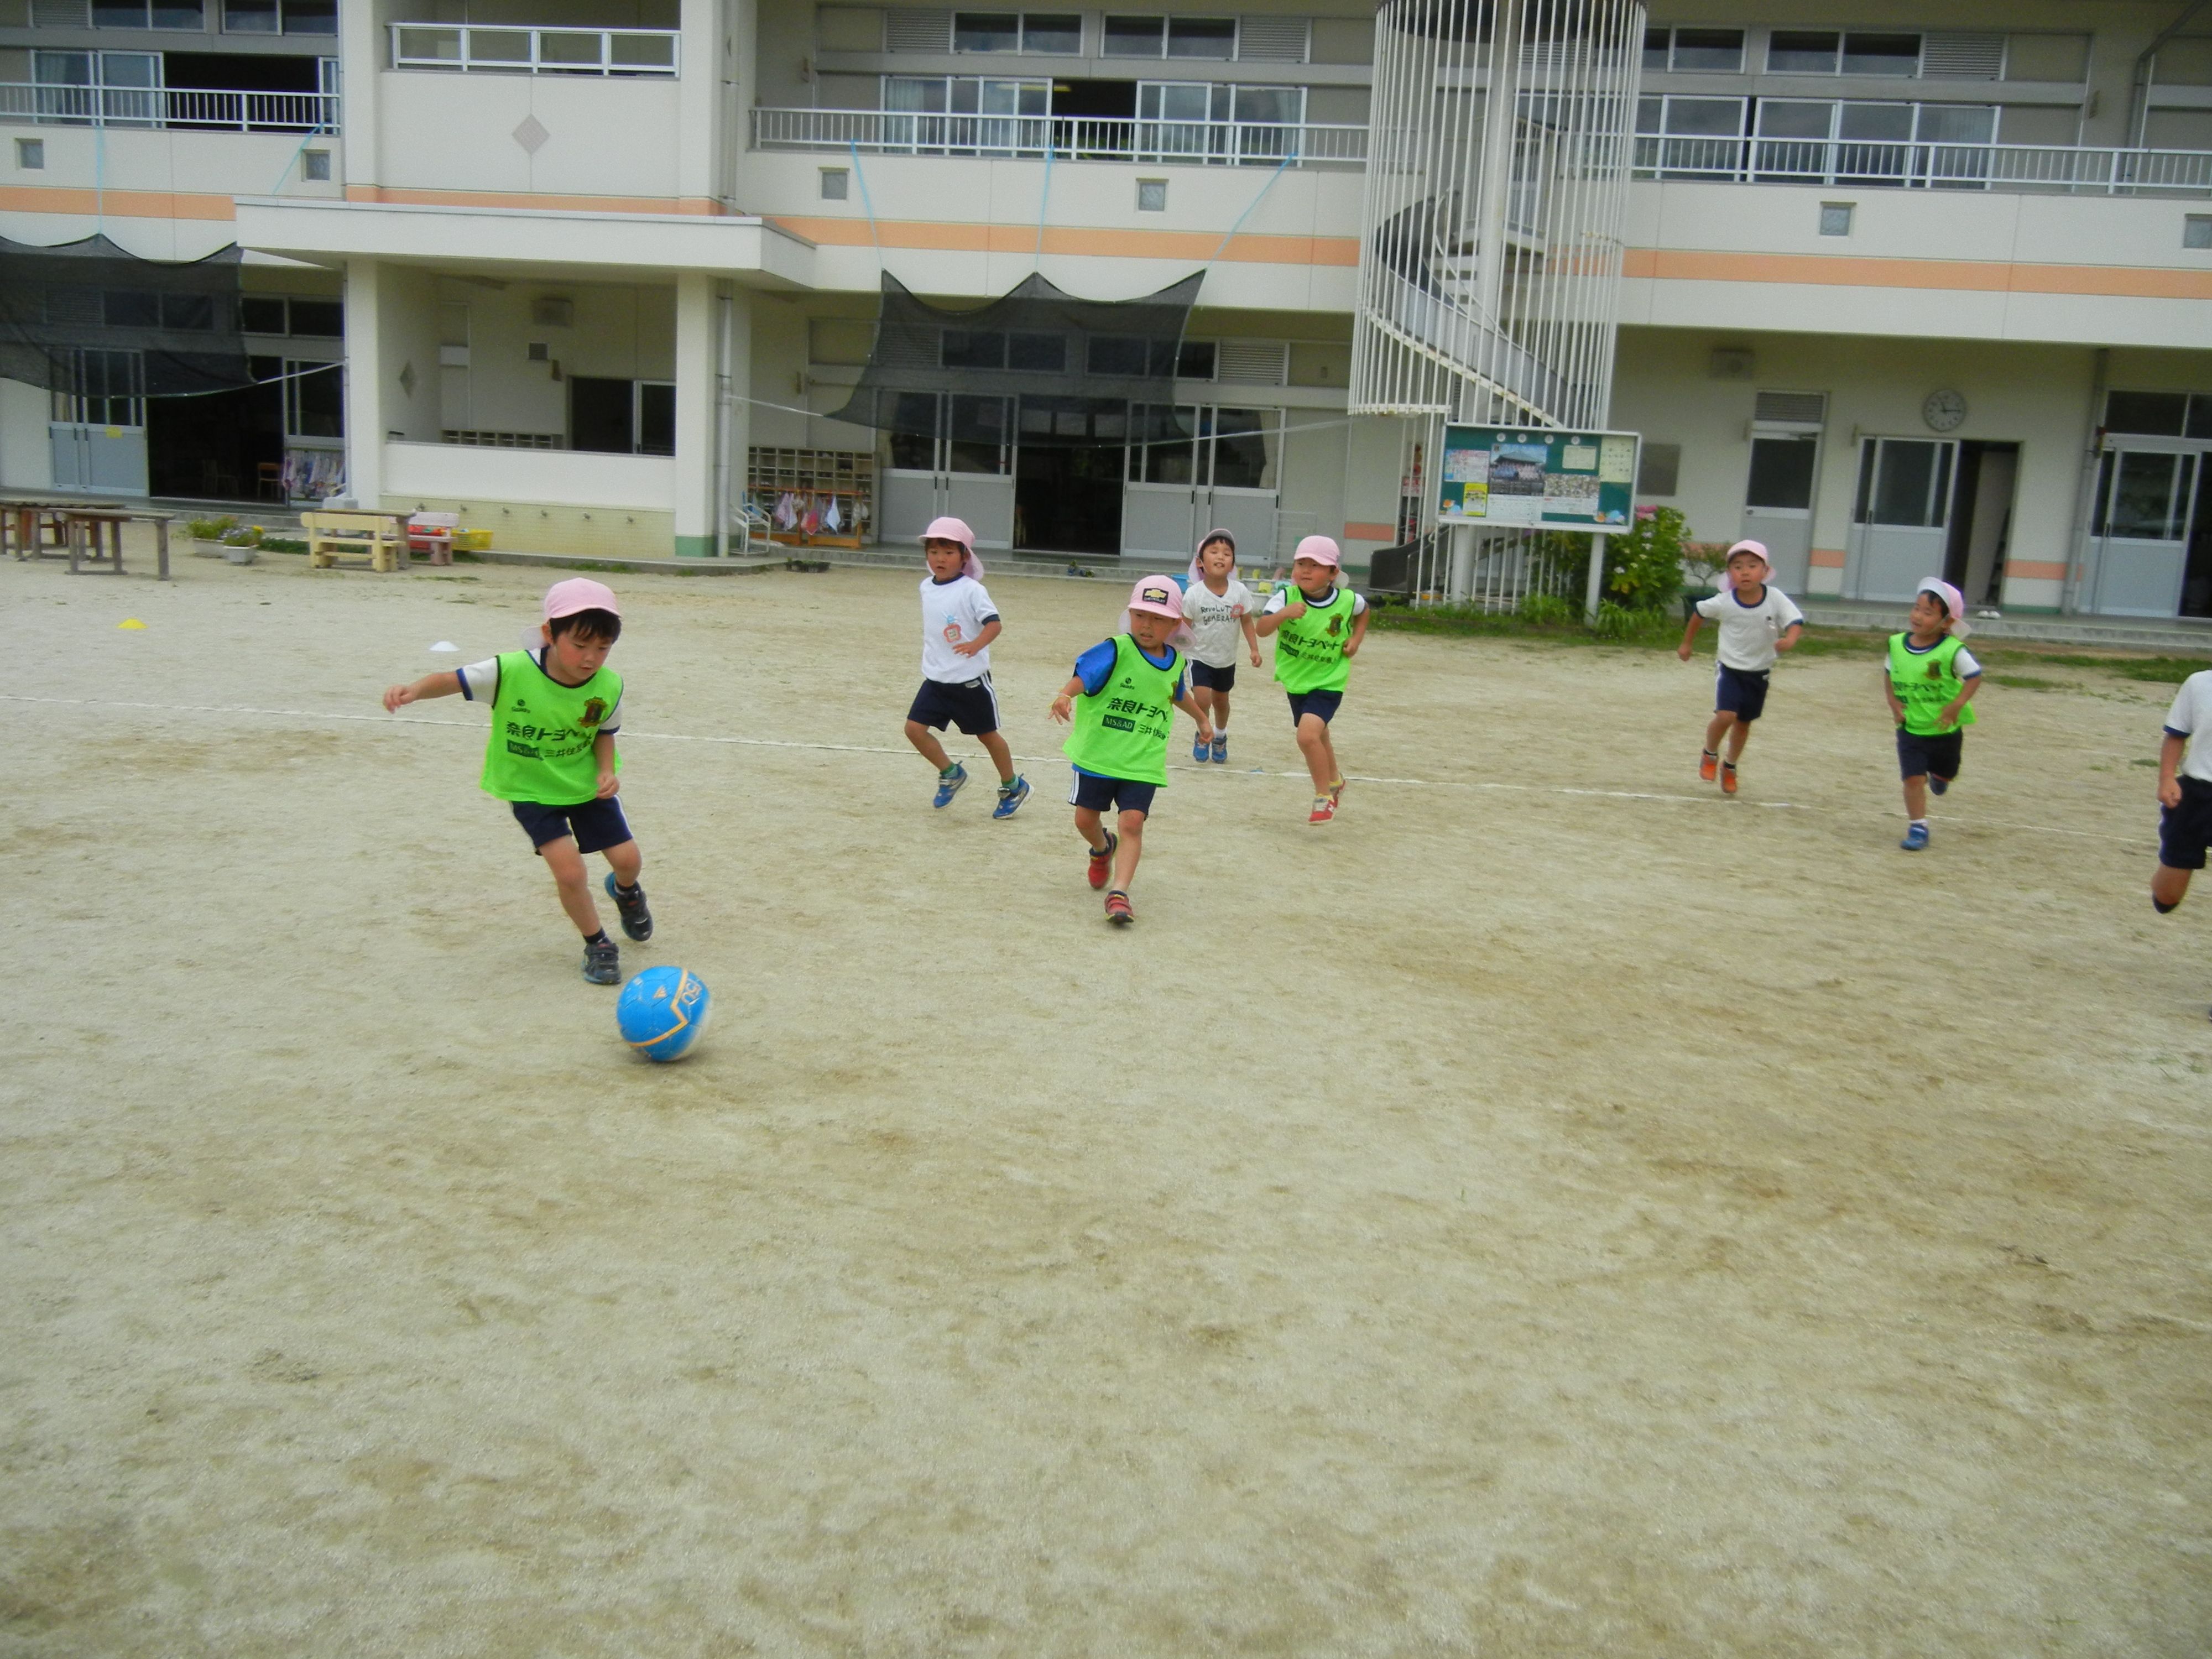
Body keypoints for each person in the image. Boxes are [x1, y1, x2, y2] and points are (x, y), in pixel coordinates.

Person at [382, 577, 650, 985]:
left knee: (628, 860)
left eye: (602, 648)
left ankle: (627, 892)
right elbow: (450, 679)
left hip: (584, 786)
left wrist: (606, 770)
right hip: (531, 790)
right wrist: (413, 690)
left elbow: (603, 732)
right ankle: (597, 944)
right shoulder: (509, 670)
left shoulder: (608, 685)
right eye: (579, 645)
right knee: (570, 873)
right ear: (549, 633)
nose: (590, 659)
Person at [1049, 576, 1214, 925]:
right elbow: (1085, 675)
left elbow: (1177, 693)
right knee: (1085, 820)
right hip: (1099, 755)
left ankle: (1119, 893)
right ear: (1131, 615)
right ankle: (1101, 849)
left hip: (1143, 759)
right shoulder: (1116, 649)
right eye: (1141, 615)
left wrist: (1202, 720)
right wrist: (1066, 695)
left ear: (1174, 624)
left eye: (1157, 618)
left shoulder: (1175, 662)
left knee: (1133, 822)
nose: (1147, 625)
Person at [902, 516, 1030, 817]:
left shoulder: (972, 590)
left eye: (948, 553)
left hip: (969, 681)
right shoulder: (926, 587)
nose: (939, 559)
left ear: (964, 557)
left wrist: (976, 645)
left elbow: (994, 624)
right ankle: (951, 773)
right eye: (933, 552)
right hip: (935, 679)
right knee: (914, 730)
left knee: (988, 736)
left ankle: (1013, 785)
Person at [1256, 535, 1369, 825]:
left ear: (1333, 574)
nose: (1305, 570)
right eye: (1300, 563)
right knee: (1320, 734)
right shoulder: (1286, 596)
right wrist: (1284, 614)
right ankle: (1335, 780)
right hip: (1296, 681)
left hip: (1330, 680)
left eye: (1316, 565)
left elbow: (1364, 610)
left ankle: (1324, 797)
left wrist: (1355, 639)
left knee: (1307, 736)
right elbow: (1262, 629)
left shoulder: (1346, 600)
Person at [1677, 539, 1804, 795]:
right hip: (1730, 668)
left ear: (1765, 571)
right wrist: (1687, 643)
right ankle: (1710, 753)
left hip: (1760, 671)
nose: (1745, 572)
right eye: (1737, 567)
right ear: (1730, 574)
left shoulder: (1775, 598)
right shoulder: (1724, 601)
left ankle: (1731, 766)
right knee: (1726, 715)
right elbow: (1699, 613)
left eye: (1752, 566)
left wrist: (1790, 639)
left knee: (1744, 723)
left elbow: (1795, 620)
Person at [1885, 577, 1983, 852]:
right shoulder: (1896, 644)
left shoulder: (1953, 651)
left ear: (1947, 622)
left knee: (1947, 770)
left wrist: (1956, 705)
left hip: (1945, 730)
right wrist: (1893, 702)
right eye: (1917, 608)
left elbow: (1974, 677)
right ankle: (1918, 826)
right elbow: (1888, 673)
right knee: (1913, 779)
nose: (1918, 616)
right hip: (1911, 729)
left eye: (1928, 613)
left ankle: (1942, 778)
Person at [2151, 670, 2212, 1014]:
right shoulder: (2200, 683)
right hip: (2197, 795)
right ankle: (2164, 876)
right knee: (2168, 897)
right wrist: (2166, 779)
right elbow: (2176, 735)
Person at [1181, 528, 1261, 765]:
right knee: (1202, 700)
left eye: (1227, 553)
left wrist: (1254, 649)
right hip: (1199, 657)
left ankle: (1220, 735)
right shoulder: (1194, 595)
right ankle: (1203, 732)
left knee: (1222, 702)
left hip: (1226, 659)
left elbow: (1247, 621)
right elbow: (1183, 629)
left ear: (1233, 563)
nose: (1220, 556)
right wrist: (1172, 655)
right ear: (1200, 562)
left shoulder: (1240, 592)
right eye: (1214, 551)